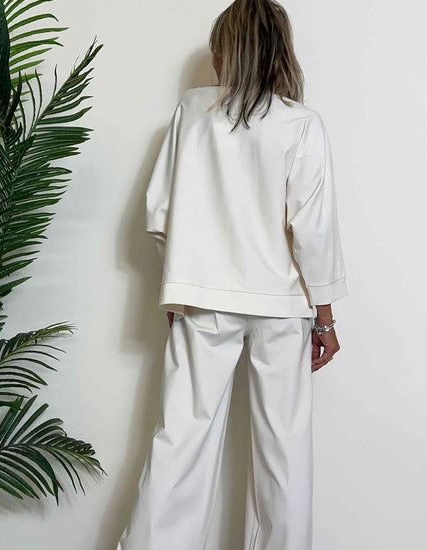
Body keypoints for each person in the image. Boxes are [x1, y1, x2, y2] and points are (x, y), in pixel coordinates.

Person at [116, 0, 348, 548]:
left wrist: (178, 287)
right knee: (284, 451)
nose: (216, 62)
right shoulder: (301, 124)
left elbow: (159, 213)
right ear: (278, 51)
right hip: (283, 305)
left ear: (229, 50)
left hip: (203, 300)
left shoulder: (192, 111)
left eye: (218, 49)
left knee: (180, 441)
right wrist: (325, 318)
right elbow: (313, 232)